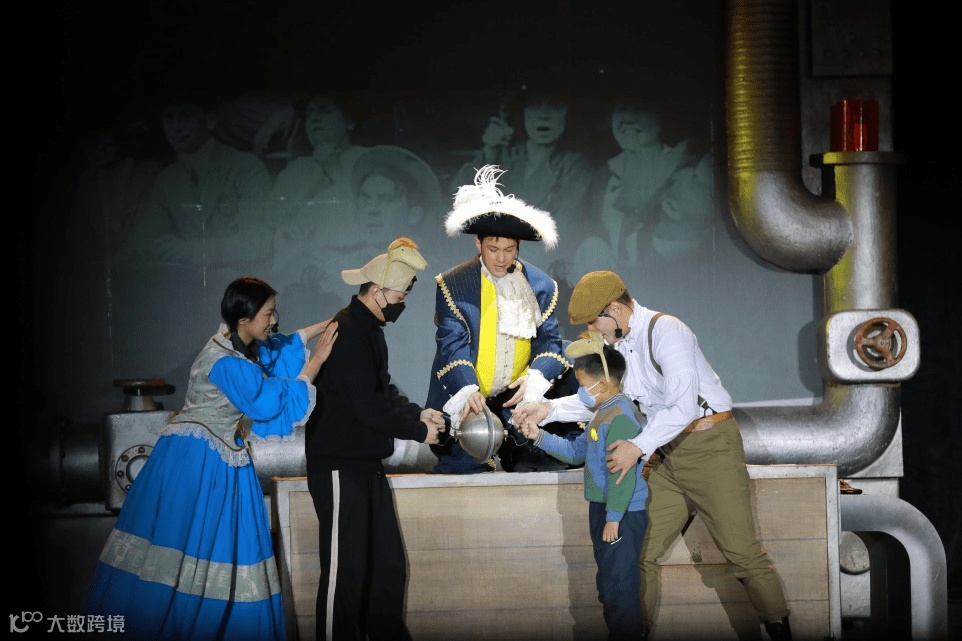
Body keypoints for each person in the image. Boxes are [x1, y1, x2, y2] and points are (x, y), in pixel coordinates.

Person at [513, 270, 793, 640]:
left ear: (615, 309)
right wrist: (548, 410)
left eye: (594, 321)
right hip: (666, 452)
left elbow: (682, 408)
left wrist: (636, 447)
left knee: (742, 554)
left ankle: (779, 627)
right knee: (638, 550)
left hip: (709, 448)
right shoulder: (620, 347)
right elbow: (606, 397)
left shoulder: (667, 332)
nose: (593, 331)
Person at [85, 277, 339, 640]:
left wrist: (331, 323)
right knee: (189, 545)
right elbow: (271, 402)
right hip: (198, 462)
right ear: (244, 319)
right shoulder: (227, 363)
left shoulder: (235, 344)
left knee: (219, 547)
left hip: (213, 456)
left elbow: (279, 348)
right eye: (268, 314)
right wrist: (317, 361)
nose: (274, 320)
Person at [305, 236, 445, 641]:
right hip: (339, 466)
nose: (402, 303)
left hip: (365, 464)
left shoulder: (369, 330)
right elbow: (368, 407)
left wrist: (417, 414)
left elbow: (382, 391)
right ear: (378, 291)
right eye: (400, 296)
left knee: (386, 567)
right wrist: (419, 431)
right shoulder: (348, 331)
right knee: (344, 574)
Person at [427, 164, 573, 474]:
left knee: (536, 466)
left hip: (515, 399)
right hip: (469, 395)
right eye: (493, 249)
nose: (502, 258)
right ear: (478, 244)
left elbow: (550, 343)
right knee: (465, 469)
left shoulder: (541, 285)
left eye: (509, 249)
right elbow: (451, 344)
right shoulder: (453, 284)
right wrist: (468, 391)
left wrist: (535, 378)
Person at [517, 330, 648, 641]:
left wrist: (614, 518)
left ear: (603, 384)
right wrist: (539, 436)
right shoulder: (600, 413)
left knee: (620, 585)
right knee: (608, 584)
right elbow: (577, 452)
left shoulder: (620, 417)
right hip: (602, 507)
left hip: (621, 512)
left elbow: (622, 475)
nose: (580, 392)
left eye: (583, 384)